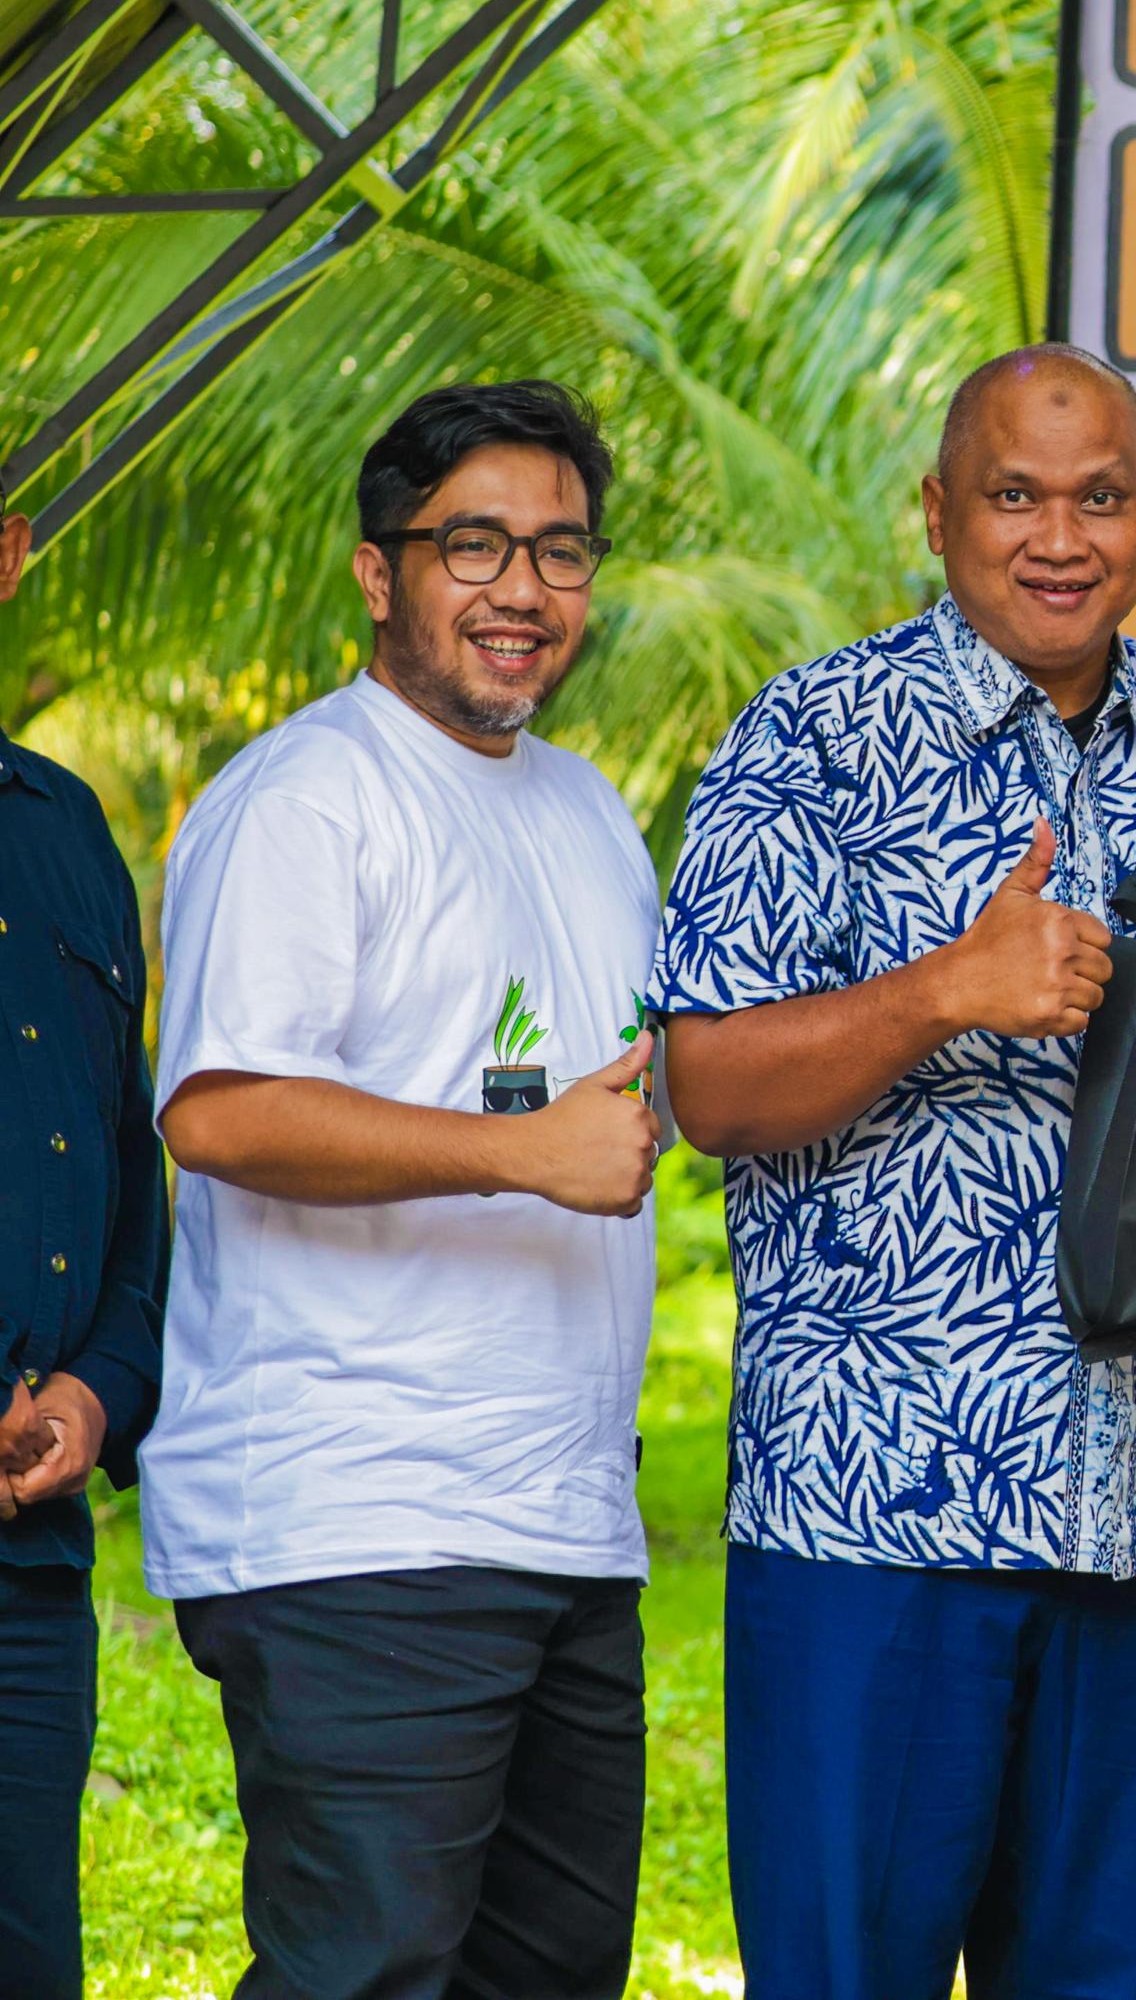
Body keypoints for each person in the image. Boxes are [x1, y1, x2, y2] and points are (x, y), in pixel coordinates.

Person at [653, 343, 1136, 2000]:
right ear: (939, 512)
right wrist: (942, 990)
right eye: (1014, 494)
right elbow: (704, 1083)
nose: (1060, 536)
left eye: (1101, 497)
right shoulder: (813, 740)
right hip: (875, 1528)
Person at [142, 381, 668, 1999]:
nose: (524, 588)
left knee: (550, 1977)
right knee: (365, 1977)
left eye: (561, 550)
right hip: (360, 1518)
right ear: (382, 574)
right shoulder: (307, 796)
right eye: (475, 545)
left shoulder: (587, 809)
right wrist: (521, 1151)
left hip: (566, 1520)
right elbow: (219, 1107)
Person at [0, 507, 167, 2000]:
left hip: (27, 1570)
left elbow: (126, 1166)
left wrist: (99, 1387)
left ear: (8, 553)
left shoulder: (66, 831)